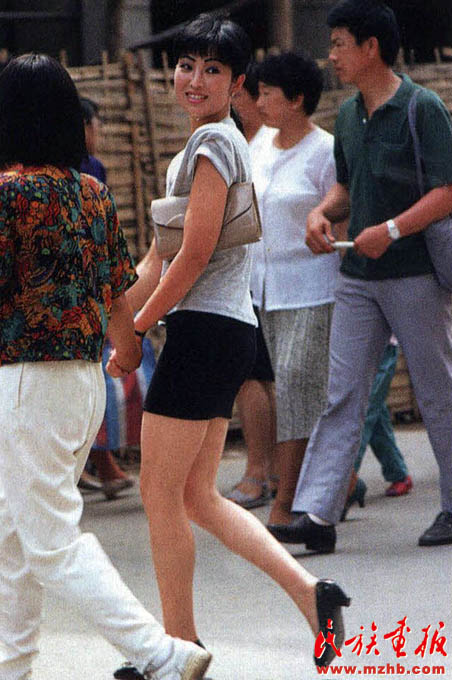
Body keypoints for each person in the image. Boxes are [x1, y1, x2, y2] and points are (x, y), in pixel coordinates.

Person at [108, 14, 350, 678]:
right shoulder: (200, 147)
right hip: (221, 330)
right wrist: (114, 319)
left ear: (236, 83)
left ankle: (177, 649)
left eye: (213, 69)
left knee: (160, 493)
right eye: (187, 65)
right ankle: (312, 594)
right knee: (195, 497)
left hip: (206, 332)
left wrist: (137, 329)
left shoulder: (214, 143)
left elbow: (193, 255)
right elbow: (159, 260)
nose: (195, 79)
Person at [0, 54, 211, 680]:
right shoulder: (89, 191)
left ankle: (162, 653)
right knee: (13, 536)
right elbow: (115, 291)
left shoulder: (7, 194)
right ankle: (13, 666)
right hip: (78, 382)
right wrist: (128, 350)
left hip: (25, 384)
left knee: (50, 543)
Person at [268, 0, 452, 552]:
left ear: (372, 48)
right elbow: (346, 188)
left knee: (437, 391)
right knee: (341, 394)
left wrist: (392, 230)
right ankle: (318, 515)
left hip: (414, 273)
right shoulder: (348, 115)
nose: (331, 56)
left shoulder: (423, 109)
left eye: (339, 44)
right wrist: (321, 212)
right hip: (356, 275)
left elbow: (446, 192)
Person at [248, 52, 340, 529]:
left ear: (297, 99)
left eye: (268, 93)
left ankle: (285, 504)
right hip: (263, 289)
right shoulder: (259, 144)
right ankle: (336, 484)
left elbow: (342, 209)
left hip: (312, 288)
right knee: (289, 391)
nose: (259, 101)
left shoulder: (325, 150)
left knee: (298, 389)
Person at [225, 62, 277, 509]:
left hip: (265, 279)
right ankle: (271, 469)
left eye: (240, 95)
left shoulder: (267, 147)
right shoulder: (246, 146)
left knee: (254, 376)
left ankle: (260, 471)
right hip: (253, 278)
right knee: (257, 375)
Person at [341, 339, 413, 520]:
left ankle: (344, 484)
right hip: (360, 346)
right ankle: (398, 473)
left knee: (363, 412)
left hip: (383, 347)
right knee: (374, 413)